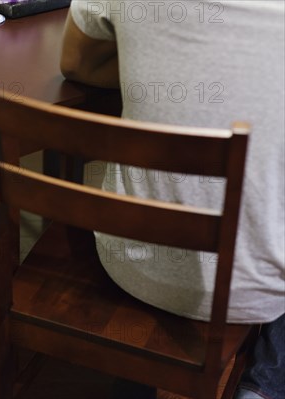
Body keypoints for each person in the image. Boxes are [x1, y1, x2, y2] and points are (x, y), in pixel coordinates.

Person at [60, 1, 284, 398]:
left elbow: (77, 63)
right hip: (263, 289)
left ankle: (143, 375)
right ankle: (263, 387)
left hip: (132, 263)